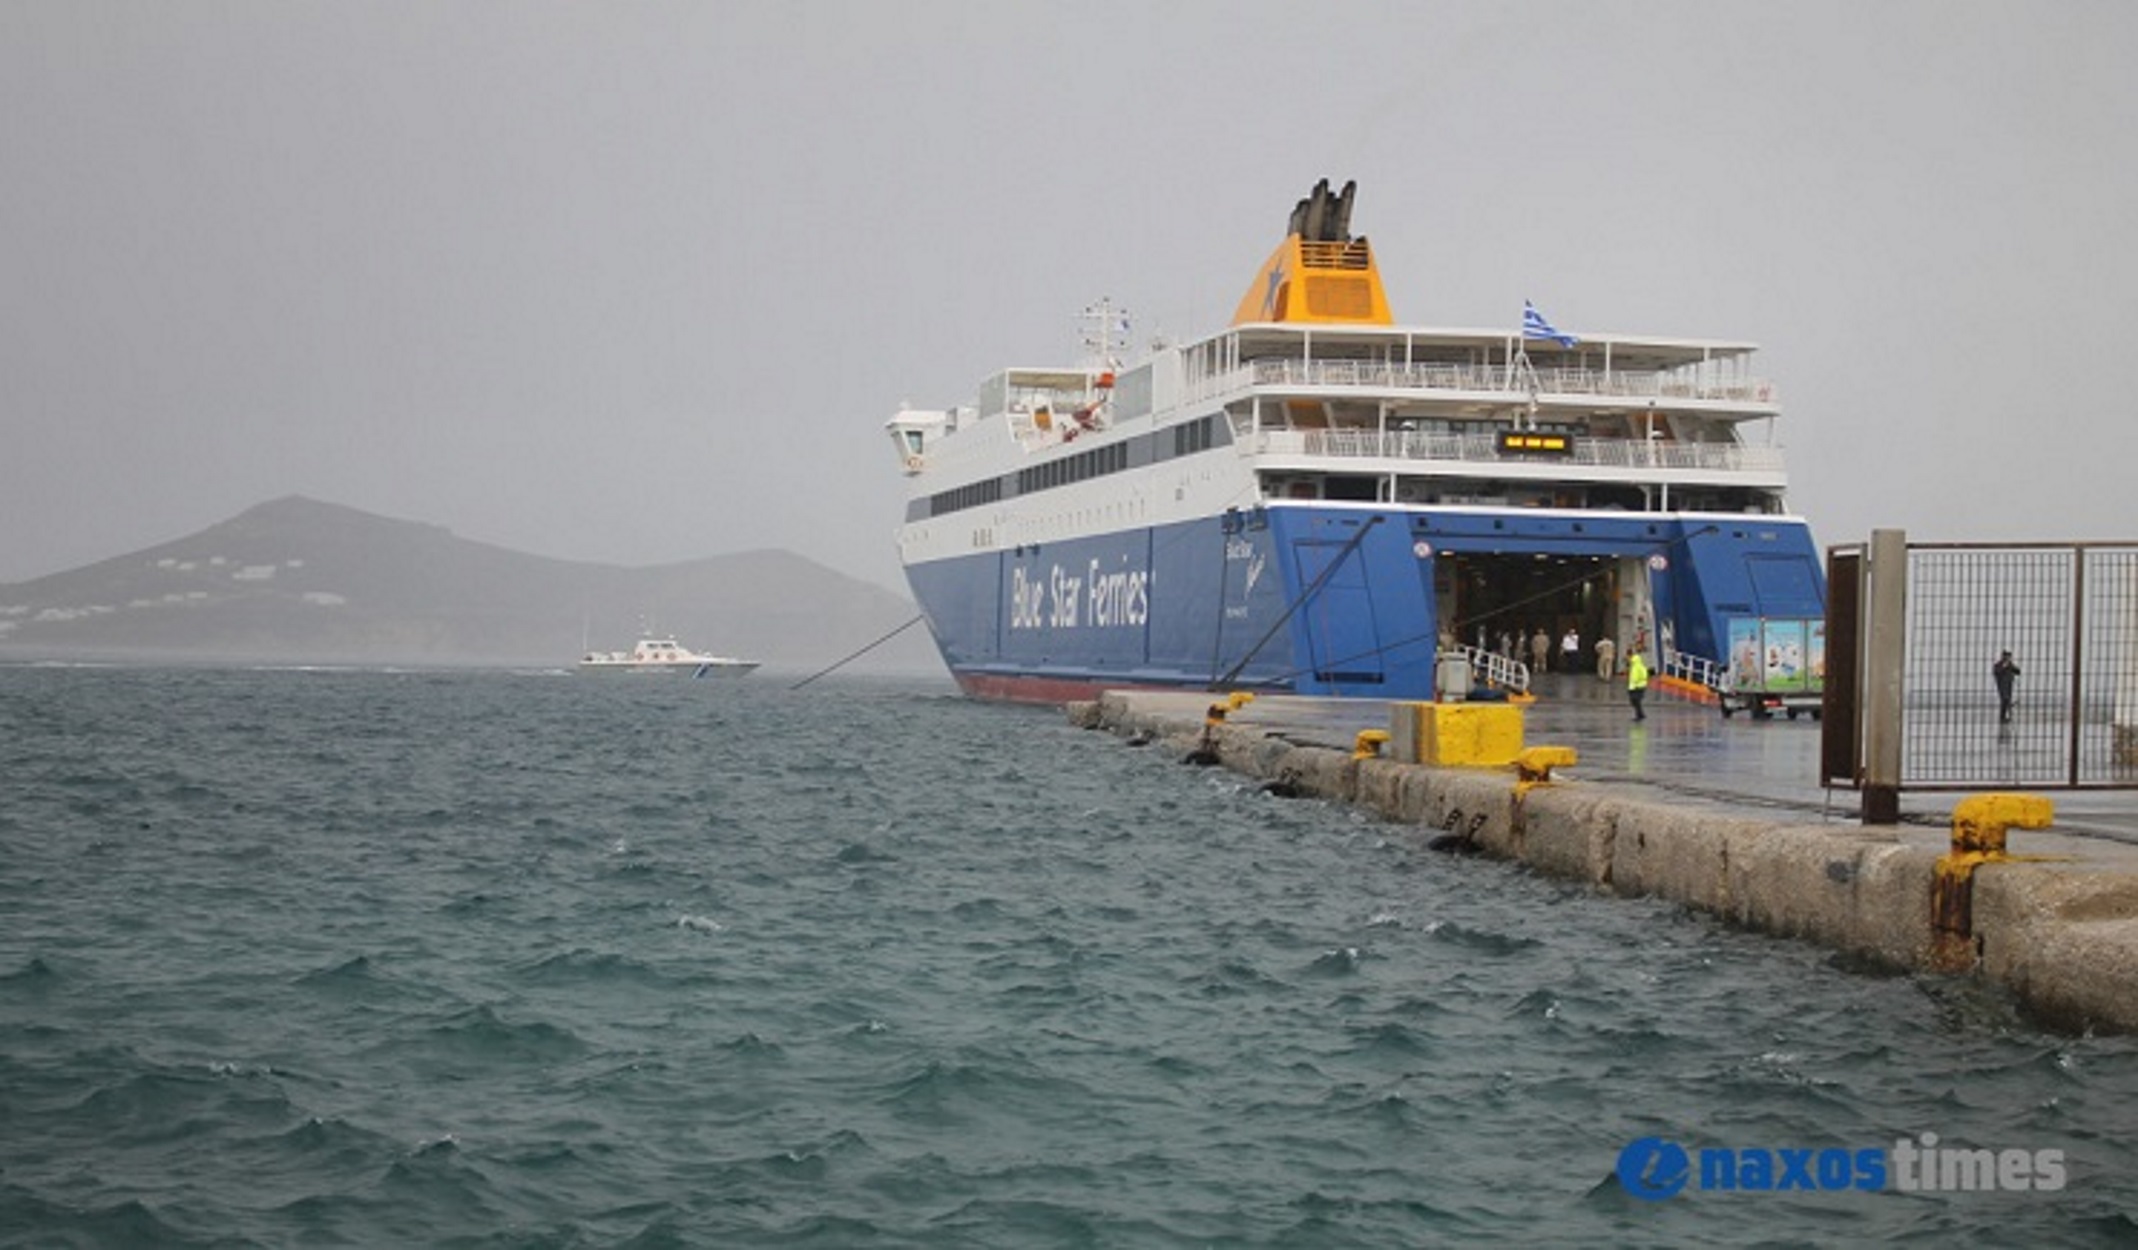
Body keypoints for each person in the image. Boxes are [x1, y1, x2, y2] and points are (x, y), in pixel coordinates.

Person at [1992, 650, 2020, 723]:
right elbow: (1996, 672)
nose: (2008, 658)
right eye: (2007, 656)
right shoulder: (1998, 665)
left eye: (2009, 656)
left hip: (2009, 684)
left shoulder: (2010, 665)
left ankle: (2006, 716)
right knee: (2005, 699)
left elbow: (2018, 672)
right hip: (2001, 685)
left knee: (2007, 699)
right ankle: (2003, 717)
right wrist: (2004, 667)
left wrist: (2012, 666)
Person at [1627, 649, 1649, 721]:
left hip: (1637, 686)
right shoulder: (1637, 664)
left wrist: (1634, 684)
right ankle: (1640, 714)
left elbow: (1638, 676)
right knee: (1636, 701)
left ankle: (1639, 715)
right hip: (1637, 686)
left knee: (1635, 701)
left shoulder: (1636, 666)